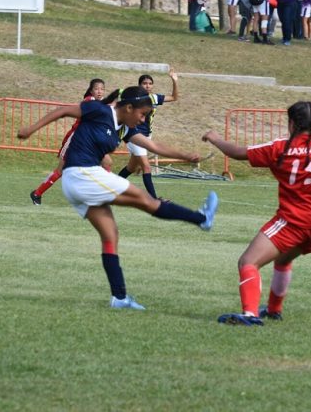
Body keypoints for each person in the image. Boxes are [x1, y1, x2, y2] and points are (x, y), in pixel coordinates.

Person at [16, 86, 219, 310]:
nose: (143, 119)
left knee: (110, 236)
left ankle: (119, 298)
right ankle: (201, 218)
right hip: (83, 175)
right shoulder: (100, 111)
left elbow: (153, 145)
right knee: (147, 202)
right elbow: (64, 110)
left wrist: (186, 155)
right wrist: (31, 129)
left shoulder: (123, 129)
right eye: (142, 114)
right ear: (128, 107)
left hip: (77, 182)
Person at [203, 101, 311, 326]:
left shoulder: (280, 148)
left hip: (291, 223)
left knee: (248, 262)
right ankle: (274, 309)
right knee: (283, 259)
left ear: (292, 123)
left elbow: (238, 153)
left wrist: (214, 137)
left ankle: (250, 314)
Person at [30, 78, 108, 205]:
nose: (99, 91)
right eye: (96, 89)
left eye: (102, 89)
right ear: (91, 91)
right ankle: (37, 193)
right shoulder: (89, 101)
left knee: (100, 165)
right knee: (60, 171)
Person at [117, 70, 179, 198]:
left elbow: (174, 97)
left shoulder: (153, 98)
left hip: (146, 136)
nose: (148, 85)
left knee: (131, 168)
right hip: (134, 136)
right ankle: (154, 200)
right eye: (144, 83)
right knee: (146, 167)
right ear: (139, 85)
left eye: (150, 83)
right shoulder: (132, 98)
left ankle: (109, 189)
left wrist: (174, 80)